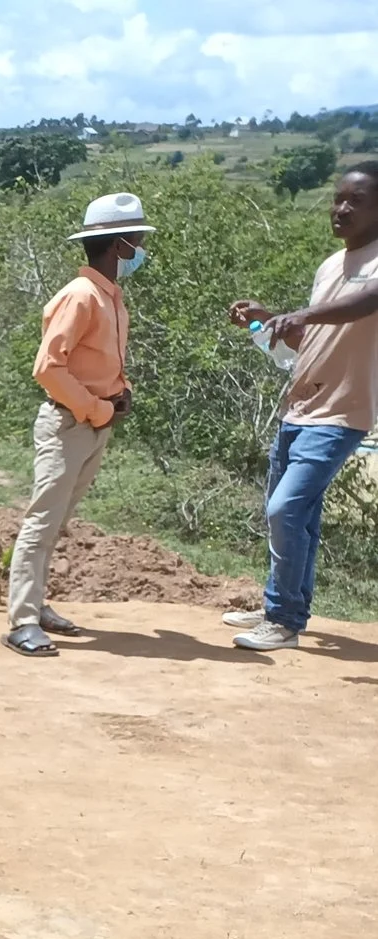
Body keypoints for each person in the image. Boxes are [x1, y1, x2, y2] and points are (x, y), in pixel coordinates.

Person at [225, 161, 378, 651]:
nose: (341, 208)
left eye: (356, 200)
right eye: (338, 198)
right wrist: (271, 320)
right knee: (298, 515)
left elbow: (364, 304)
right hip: (299, 408)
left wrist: (303, 312)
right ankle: (282, 606)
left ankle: (283, 619)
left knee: (284, 509)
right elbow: (313, 334)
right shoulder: (331, 265)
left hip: (342, 412)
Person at [4, 192, 154, 657]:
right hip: (71, 423)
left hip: (92, 422)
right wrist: (96, 408)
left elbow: (99, 359)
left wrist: (118, 391)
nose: (141, 250)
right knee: (42, 521)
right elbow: (48, 367)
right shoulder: (82, 296)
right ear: (119, 245)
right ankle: (22, 621)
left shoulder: (109, 296)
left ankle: (36, 603)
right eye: (136, 240)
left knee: (58, 521)